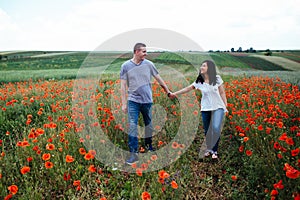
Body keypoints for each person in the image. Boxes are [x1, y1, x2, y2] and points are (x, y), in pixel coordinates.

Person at [120, 43, 171, 165]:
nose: (146, 53)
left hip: (147, 100)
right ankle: (134, 153)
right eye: (143, 51)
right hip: (133, 100)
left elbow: (159, 79)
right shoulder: (125, 66)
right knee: (132, 125)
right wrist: (123, 103)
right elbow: (122, 85)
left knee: (148, 124)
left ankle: (148, 146)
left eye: (146, 51)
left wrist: (168, 91)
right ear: (136, 52)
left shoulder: (149, 65)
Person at [169, 60, 227, 159]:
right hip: (206, 108)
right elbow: (187, 89)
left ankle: (214, 151)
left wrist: (225, 106)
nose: (201, 68)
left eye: (204, 66)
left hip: (218, 107)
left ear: (210, 68)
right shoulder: (199, 81)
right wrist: (175, 94)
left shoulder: (217, 79)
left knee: (216, 128)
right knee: (208, 129)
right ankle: (209, 149)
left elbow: (222, 93)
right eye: (201, 66)